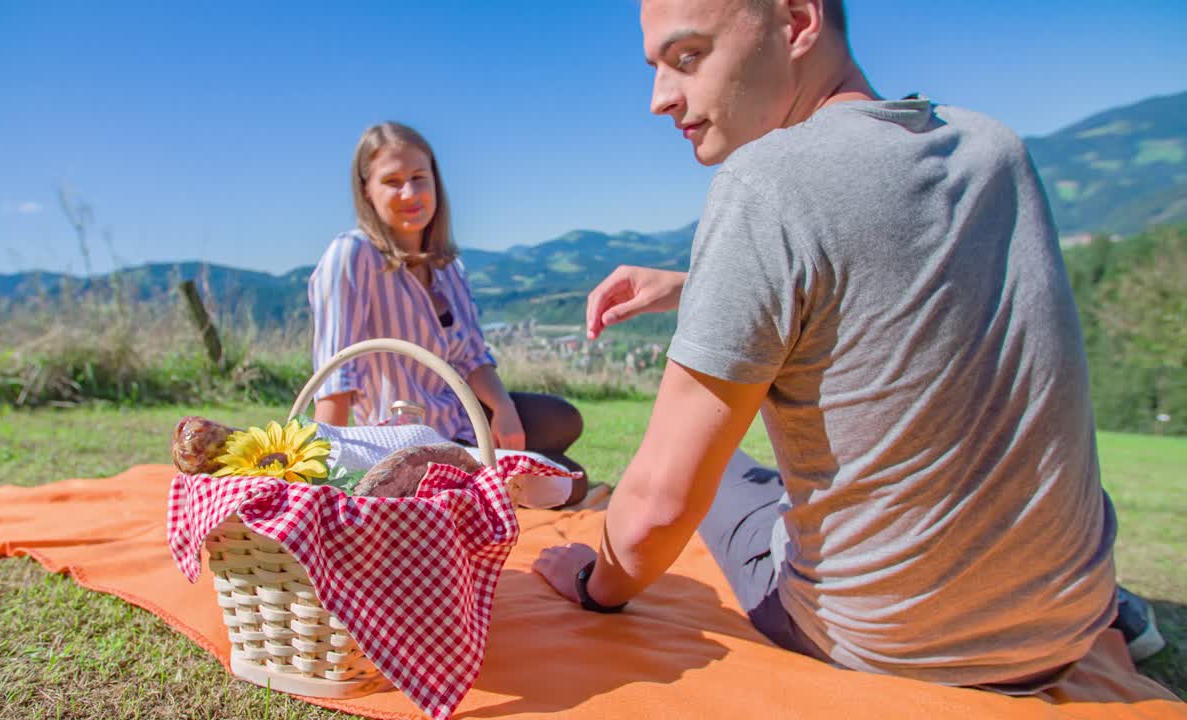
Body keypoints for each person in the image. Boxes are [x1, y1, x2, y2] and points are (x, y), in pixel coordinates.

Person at [532, 0, 1164, 692]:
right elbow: (898, 275)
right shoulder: (994, 147)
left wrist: (595, 584)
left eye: (688, 58)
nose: (659, 99)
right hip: (1067, 623)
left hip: (893, 647)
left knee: (718, 481)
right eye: (656, 67)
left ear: (797, 21)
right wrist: (697, 284)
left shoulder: (763, 183)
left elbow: (658, 507)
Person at [308, 122, 588, 502]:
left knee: (564, 421)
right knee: (572, 482)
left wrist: (503, 408)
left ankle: (491, 487)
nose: (410, 192)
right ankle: (477, 493)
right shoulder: (353, 255)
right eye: (392, 181)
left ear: (435, 181)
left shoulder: (448, 267)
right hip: (405, 442)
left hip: (464, 422)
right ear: (366, 191)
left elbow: (471, 355)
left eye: (419, 177)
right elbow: (337, 378)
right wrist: (322, 486)